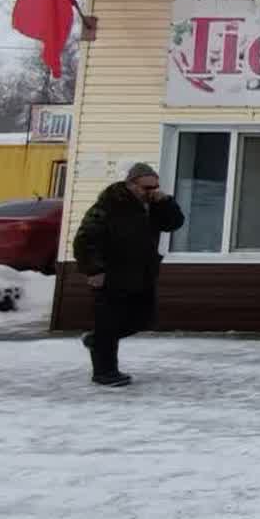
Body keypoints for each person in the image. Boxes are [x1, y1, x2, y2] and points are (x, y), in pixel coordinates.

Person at [72, 162, 184, 387]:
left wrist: (166, 202)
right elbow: (85, 240)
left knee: (142, 319)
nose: (151, 192)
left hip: (142, 272)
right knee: (108, 323)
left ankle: (96, 340)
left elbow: (174, 223)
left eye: (155, 187)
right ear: (131, 184)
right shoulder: (109, 205)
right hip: (111, 273)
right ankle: (105, 372)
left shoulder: (152, 206)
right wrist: (94, 270)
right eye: (146, 188)